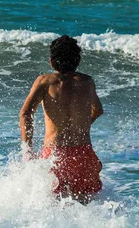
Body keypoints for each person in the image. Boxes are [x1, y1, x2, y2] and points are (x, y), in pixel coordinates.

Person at [19, 35, 104, 204]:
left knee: (52, 206)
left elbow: (26, 114)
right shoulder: (87, 82)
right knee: (87, 206)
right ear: (78, 61)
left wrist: (27, 149)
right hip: (84, 153)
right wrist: (81, 126)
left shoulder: (45, 81)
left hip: (55, 155)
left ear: (51, 62)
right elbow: (98, 110)